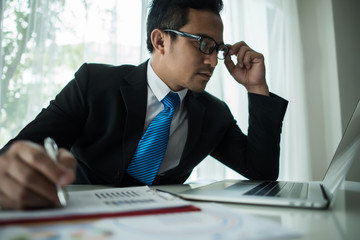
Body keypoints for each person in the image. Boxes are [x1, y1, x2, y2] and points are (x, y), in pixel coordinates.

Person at [0, 0, 288, 210]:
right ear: (160, 40)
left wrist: (256, 87)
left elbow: (261, 173)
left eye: (218, 49)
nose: (213, 60)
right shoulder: (95, 84)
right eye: (203, 44)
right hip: (80, 220)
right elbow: (17, 154)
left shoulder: (214, 114)